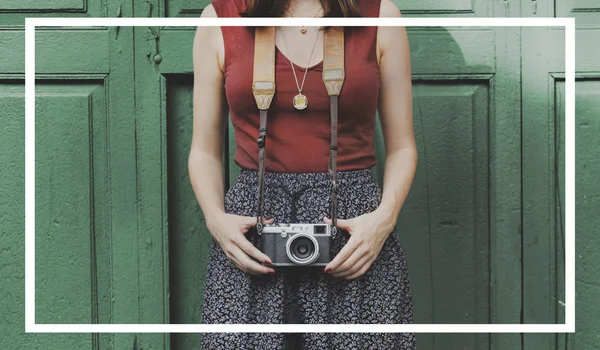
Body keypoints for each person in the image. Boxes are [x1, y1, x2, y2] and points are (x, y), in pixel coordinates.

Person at [188, 0, 417, 348]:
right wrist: (216, 220)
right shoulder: (221, 17)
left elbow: (402, 146)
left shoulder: (380, 15)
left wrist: (382, 221)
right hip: (253, 237)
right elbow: (204, 150)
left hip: (354, 235)